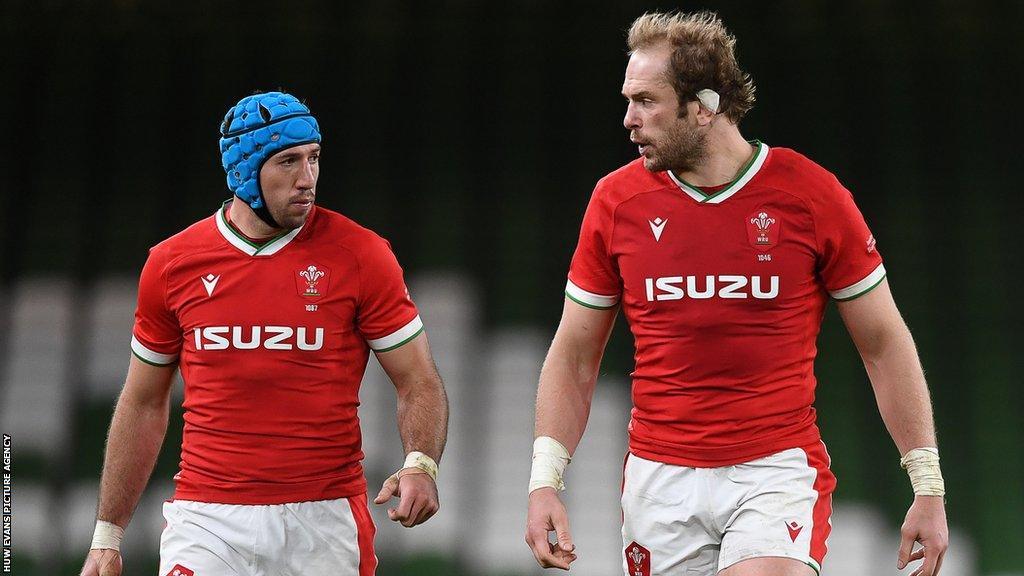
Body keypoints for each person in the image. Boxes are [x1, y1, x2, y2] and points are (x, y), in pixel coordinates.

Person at [525, 11, 948, 576]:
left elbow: (884, 342)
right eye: (628, 100)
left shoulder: (810, 195)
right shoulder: (616, 202)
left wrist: (927, 484)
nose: (628, 120)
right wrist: (543, 483)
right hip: (660, 478)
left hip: (775, 470)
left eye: (647, 101)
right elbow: (575, 354)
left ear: (704, 105)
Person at [80, 91, 448, 576]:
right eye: (288, 161)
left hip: (325, 521)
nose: (307, 178)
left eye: (314, 158)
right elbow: (143, 403)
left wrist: (420, 461)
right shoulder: (172, 265)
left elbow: (418, 380)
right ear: (243, 173)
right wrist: (108, 536)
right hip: (207, 520)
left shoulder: (362, 255)